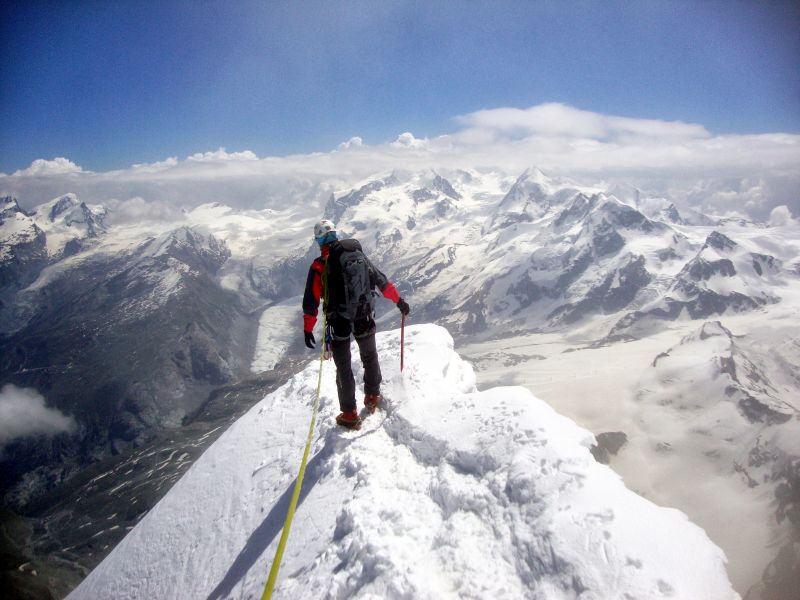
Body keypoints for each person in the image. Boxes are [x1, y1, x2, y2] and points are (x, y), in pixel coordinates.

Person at [302, 219, 410, 429]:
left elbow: (311, 301)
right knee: (369, 356)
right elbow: (381, 281)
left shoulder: (319, 265)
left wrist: (308, 329)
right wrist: (399, 301)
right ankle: (372, 396)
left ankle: (349, 414)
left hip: (338, 320)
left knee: (343, 366)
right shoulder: (357, 255)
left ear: (319, 240)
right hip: (363, 314)